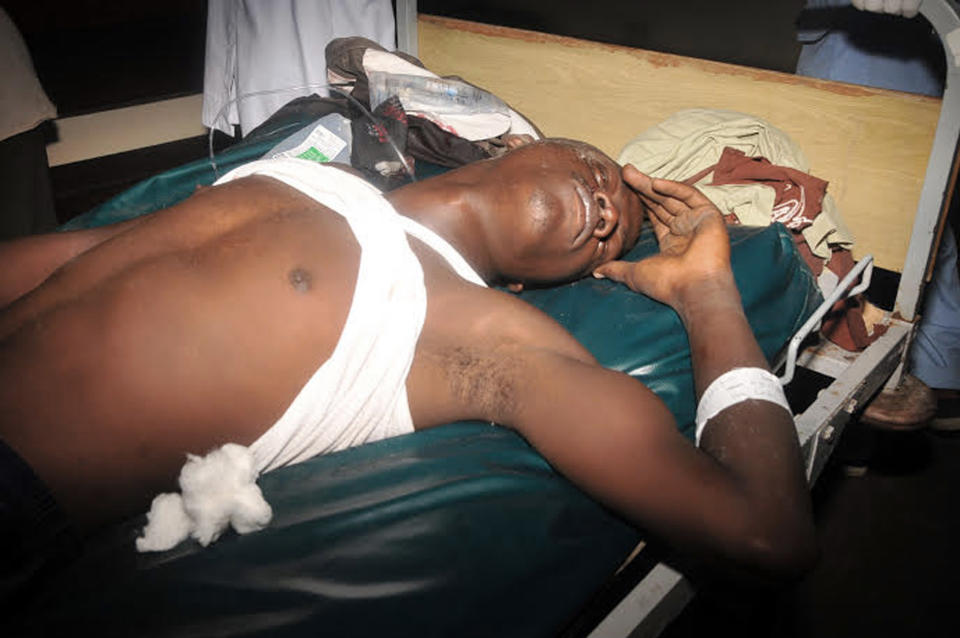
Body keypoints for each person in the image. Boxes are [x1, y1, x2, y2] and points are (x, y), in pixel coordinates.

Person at [0, 138, 816, 583]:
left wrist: (708, 292)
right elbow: (83, 258)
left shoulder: (479, 336)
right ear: (518, 145)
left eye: (611, 231)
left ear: (543, 283)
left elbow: (761, 530)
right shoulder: (304, 174)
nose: (606, 204)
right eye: (602, 173)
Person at [796, 0, 960, 423]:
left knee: (909, 203)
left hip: (912, 47)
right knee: (816, 193)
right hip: (840, 38)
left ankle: (927, 368)